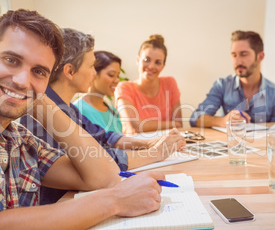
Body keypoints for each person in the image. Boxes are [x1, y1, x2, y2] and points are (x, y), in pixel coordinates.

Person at [0, 9, 166, 230]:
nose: (21, 80)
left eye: (39, 71)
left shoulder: (20, 139)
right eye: (11, 60)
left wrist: (38, 101)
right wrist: (114, 200)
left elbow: (102, 177)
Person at [20, 28, 185, 204]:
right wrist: (155, 153)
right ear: (69, 71)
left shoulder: (68, 108)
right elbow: (90, 161)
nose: (94, 73)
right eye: (91, 66)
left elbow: (105, 137)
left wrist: (148, 143)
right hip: (60, 206)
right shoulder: (43, 114)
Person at [189, 30, 275, 128]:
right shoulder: (222, 85)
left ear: (260, 57)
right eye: (234, 55)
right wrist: (223, 121)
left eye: (244, 54)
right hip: (230, 144)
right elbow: (195, 118)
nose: (237, 61)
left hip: (261, 145)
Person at [115, 34, 183, 134]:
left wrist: (174, 125)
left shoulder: (170, 83)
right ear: (138, 60)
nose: (151, 66)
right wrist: (172, 124)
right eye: (147, 60)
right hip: (138, 147)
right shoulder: (124, 88)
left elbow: (179, 124)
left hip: (168, 144)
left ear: (163, 66)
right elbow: (135, 126)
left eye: (158, 62)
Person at [73, 50, 123, 133]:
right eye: (111, 75)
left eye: (118, 76)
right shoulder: (78, 110)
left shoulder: (113, 112)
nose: (117, 80)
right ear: (93, 73)